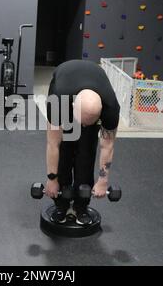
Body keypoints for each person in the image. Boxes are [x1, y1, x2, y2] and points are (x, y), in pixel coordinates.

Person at [46, 60, 120, 226]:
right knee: (65, 146)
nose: (84, 126)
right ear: (72, 107)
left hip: (88, 98)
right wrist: (52, 179)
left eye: (90, 122)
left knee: (86, 150)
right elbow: (52, 144)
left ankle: (81, 206)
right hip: (64, 84)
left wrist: (103, 181)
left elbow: (107, 146)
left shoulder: (111, 107)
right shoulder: (58, 100)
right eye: (83, 122)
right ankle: (61, 204)